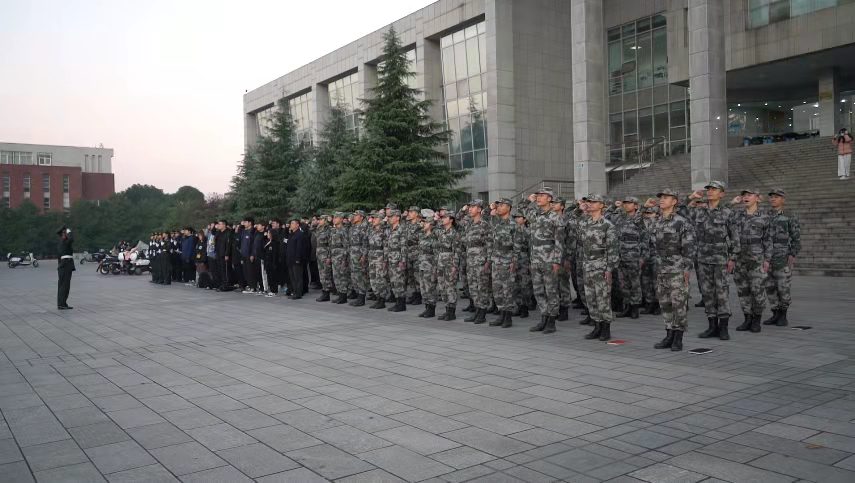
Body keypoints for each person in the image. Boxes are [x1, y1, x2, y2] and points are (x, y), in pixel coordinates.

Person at [687, 181, 738, 340]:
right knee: (707, 293)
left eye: (714, 189)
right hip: (703, 258)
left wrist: (733, 258)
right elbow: (680, 212)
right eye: (708, 189)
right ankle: (712, 326)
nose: (710, 191)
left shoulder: (728, 213)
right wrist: (690, 198)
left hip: (720, 259)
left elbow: (735, 237)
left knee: (721, 293)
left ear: (721, 194)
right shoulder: (699, 211)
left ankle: (723, 328)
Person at [649, 189, 695, 351]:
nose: (662, 200)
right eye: (661, 197)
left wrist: (686, 269)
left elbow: (689, 248)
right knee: (665, 304)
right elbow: (652, 245)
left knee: (679, 304)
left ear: (674, 201)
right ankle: (669, 334)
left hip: (677, 269)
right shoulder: (656, 221)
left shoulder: (681, 222)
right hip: (661, 269)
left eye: (666, 197)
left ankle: (678, 337)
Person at [518, 188, 562, 334]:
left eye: (542, 196)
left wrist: (557, 261)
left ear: (549, 199)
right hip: (535, 259)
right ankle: (544, 317)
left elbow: (559, 241)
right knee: (538, 291)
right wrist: (528, 200)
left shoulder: (555, 217)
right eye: (538, 196)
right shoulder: (534, 214)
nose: (538, 198)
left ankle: (552, 321)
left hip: (549, 260)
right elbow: (522, 208)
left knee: (551, 291)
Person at [579, 194, 619, 342]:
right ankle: (596, 326)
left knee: (603, 299)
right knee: (591, 299)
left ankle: (606, 328)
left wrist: (609, 269)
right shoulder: (585, 223)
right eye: (588, 202)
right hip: (588, 266)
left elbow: (613, 250)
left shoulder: (607, 225)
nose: (589, 204)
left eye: (593, 202)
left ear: (602, 205)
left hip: (601, 267)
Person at [733, 189, 772, 333]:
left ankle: (756, 319)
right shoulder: (736, 216)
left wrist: (767, 259)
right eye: (744, 195)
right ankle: (747, 318)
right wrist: (732, 203)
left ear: (758, 198)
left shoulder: (765, 217)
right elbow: (720, 213)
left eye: (749, 195)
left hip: (756, 260)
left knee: (757, 290)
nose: (746, 197)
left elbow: (768, 240)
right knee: (743, 291)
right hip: (740, 259)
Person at [763, 188, 801, 327]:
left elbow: (796, 237)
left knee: (783, 287)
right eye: (771, 197)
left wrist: (792, 254)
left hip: (783, 257)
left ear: (783, 200)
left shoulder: (790, 216)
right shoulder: (765, 216)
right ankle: (775, 314)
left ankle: (783, 315)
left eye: (777, 197)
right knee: (770, 287)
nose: (773, 199)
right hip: (767, 258)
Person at [614, 197, 647, 319]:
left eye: (629, 203)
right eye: (625, 203)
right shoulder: (620, 218)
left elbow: (645, 239)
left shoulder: (640, 219)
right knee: (623, 283)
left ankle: (635, 308)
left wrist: (643, 257)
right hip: (621, 256)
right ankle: (627, 306)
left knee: (635, 283)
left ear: (636, 206)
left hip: (634, 257)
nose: (626, 205)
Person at [461, 200, 492, 324]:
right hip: (470, 261)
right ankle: (477, 311)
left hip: (481, 261)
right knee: (473, 288)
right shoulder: (469, 224)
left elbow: (490, 244)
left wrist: (488, 261)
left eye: (473, 207)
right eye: (469, 207)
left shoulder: (484, 224)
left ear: (479, 209)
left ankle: (482, 313)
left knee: (482, 288)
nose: (470, 209)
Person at [489, 198, 519, 328]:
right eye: (498, 205)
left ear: (509, 207)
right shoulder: (497, 223)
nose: (499, 207)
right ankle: (501, 314)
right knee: (497, 289)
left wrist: (514, 261)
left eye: (501, 205)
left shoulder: (514, 224)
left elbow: (517, 245)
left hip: (508, 260)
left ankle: (508, 317)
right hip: (496, 260)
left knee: (507, 289)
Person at [435, 211, 461, 320]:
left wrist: (455, 265)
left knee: (450, 287)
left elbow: (457, 251)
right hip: (441, 262)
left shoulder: (454, 233)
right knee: (442, 287)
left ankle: (452, 312)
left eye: (445, 217)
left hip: (450, 263)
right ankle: (447, 309)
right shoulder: (441, 232)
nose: (442, 219)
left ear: (451, 220)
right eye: (442, 217)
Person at [385, 209, 408, 312]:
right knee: (393, 281)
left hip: (398, 258)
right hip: (391, 258)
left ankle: (401, 304)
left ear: (397, 218)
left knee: (399, 281)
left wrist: (403, 260)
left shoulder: (401, 229)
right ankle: (397, 302)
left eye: (392, 216)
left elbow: (403, 246)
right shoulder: (390, 229)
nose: (389, 218)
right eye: (389, 217)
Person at [417, 211, 438, 318]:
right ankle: (426, 307)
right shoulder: (422, 236)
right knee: (423, 288)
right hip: (422, 265)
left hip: (430, 266)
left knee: (430, 288)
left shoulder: (434, 238)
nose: (423, 224)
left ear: (431, 225)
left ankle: (431, 309)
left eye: (425, 223)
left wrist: (435, 269)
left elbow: (436, 254)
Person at [367, 212, 389, 309]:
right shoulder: (371, 230)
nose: (373, 220)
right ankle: (377, 297)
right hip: (371, 256)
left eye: (375, 218)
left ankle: (382, 299)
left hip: (380, 257)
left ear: (380, 220)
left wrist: (385, 260)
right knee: (373, 278)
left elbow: (386, 246)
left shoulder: (384, 231)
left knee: (380, 278)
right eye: (373, 218)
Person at [348, 210, 370, 307]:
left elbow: (365, 243)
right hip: (352, 253)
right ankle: (358, 295)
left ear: (361, 217)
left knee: (360, 275)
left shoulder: (364, 227)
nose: (354, 217)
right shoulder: (353, 227)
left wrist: (364, 255)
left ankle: (361, 297)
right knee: (354, 275)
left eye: (356, 215)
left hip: (359, 254)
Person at [330, 212, 351, 304]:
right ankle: (339, 294)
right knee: (336, 276)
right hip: (334, 256)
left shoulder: (344, 230)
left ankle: (343, 296)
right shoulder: (334, 230)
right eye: (334, 217)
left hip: (341, 257)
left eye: (336, 217)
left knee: (342, 276)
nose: (334, 219)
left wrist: (344, 259)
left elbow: (346, 246)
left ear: (341, 219)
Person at [313, 215, 335, 302]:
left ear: (325, 220)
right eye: (319, 219)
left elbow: (331, 244)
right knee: (321, 274)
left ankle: (326, 293)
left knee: (326, 274)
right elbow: (312, 229)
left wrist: (329, 256)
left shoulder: (329, 230)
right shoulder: (319, 229)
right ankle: (324, 291)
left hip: (325, 254)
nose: (319, 221)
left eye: (321, 219)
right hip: (319, 254)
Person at [285, 219, 308, 299]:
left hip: (296, 259)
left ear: (297, 225)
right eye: (291, 223)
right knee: (292, 277)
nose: (291, 225)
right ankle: (294, 292)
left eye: (292, 223)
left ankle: (298, 293)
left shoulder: (300, 234)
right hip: (290, 259)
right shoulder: (291, 234)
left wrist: (298, 258)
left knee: (297, 277)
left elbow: (300, 248)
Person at [57, 225, 75, 310]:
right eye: (65, 233)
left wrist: (60, 266)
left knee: (63, 285)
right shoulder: (64, 242)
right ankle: (62, 304)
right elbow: (71, 239)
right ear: (62, 234)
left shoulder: (61, 242)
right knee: (64, 285)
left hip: (63, 265)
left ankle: (62, 303)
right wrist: (69, 231)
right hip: (66, 265)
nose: (67, 235)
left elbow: (59, 256)